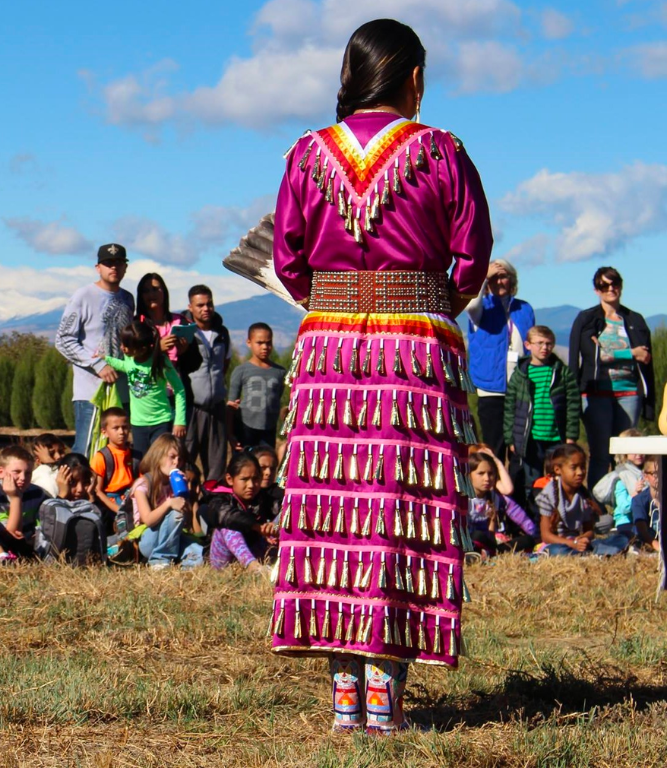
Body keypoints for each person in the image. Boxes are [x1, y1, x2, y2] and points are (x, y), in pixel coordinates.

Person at [270, 20, 494, 733]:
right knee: (399, 510)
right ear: (414, 79)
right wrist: (429, 302)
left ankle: (345, 705)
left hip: (330, 350)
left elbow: (289, 257)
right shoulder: (440, 152)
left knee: (332, 514)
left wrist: (336, 303)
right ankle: (383, 701)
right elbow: (471, 256)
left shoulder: (307, 155)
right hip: (414, 352)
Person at [569, 267, 655, 481]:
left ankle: (627, 504)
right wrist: (630, 353)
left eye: (614, 283)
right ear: (596, 290)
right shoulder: (587, 319)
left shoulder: (635, 319)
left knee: (628, 454)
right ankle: (597, 508)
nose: (610, 289)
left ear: (621, 285)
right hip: (596, 394)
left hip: (630, 393)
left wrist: (610, 352)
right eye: (603, 285)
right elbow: (591, 355)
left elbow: (645, 357)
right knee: (600, 454)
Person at [55, 243, 135, 455]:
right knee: (87, 449)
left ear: (125, 267)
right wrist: (98, 364)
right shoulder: (83, 296)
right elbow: (63, 340)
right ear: (98, 267)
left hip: (121, 391)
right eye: (108, 263)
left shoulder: (128, 299)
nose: (114, 268)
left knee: (116, 452)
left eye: (118, 262)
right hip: (90, 391)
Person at [466, 260, 535, 460]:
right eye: (494, 278)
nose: (499, 281)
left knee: (519, 446)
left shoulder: (524, 308)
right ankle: (492, 489)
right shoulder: (481, 308)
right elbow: (470, 304)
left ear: (512, 279)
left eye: (503, 276)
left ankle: (517, 489)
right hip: (489, 386)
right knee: (493, 445)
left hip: (519, 385)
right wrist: (482, 276)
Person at [503, 325, 580, 494]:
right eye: (540, 343)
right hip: (530, 439)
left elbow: (573, 406)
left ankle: (558, 516)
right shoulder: (520, 375)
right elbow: (510, 408)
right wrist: (510, 439)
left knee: (560, 479)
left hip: (556, 437)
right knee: (533, 481)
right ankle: (535, 516)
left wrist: (571, 436)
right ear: (528, 345)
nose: (545, 348)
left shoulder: (562, 373)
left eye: (549, 344)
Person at [103, 320, 187, 455]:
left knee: (158, 461)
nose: (122, 348)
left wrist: (180, 420)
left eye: (127, 346)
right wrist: (105, 359)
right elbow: (125, 366)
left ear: (142, 349)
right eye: (123, 343)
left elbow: (179, 389)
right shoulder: (130, 357)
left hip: (161, 422)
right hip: (137, 424)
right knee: (140, 463)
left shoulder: (160, 362)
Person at [536, 444, 628, 556]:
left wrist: (584, 538)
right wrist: (572, 543)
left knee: (621, 539)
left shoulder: (583, 496)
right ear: (557, 469)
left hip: (577, 544)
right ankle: (592, 554)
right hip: (558, 544)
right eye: (574, 467)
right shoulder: (548, 495)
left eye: (583, 467)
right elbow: (546, 535)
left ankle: (588, 553)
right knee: (557, 551)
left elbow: (589, 530)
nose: (580, 472)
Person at [180, 285, 231, 483]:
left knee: (216, 466)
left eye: (209, 304)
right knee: (186, 461)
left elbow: (224, 365)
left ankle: (213, 506)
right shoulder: (184, 333)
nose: (206, 308)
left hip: (216, 407)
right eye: (200, 305)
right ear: (190, 307)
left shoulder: (222, 333)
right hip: (192, 408)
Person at [205, 452, 279, 570]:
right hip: (224, 564)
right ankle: (253, 567)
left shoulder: (265, 499)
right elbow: (225, 515)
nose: (251, 485)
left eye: (255, 479)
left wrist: (273, 527)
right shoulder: (219, 499)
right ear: (230, 479)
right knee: (229, 525)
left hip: (258, 554)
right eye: (244, 479)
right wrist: (257, 527)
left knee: (287, 514)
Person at [130, 434, 192, 569]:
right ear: (158, 457)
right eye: (172, 457)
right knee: (175, 513)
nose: (177, 462)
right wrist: (169, 503)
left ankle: (181, 565)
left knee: (196, 551)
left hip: (172, 539)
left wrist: (185, 493)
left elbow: (187, 522)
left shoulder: (173, 484)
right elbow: (148, 520)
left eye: (180, 459)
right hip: (150, 539)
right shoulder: (143, 484)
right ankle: (158, 560)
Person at [0, 445, 49, 559]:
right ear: (1, 472)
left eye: (28, 473)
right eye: (17, 472)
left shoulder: (37, 493)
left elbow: (47, 525)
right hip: (6, 548)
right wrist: (15, 498)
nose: (23, 477)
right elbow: (10, 535)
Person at [465, 451, 536, 558]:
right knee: (477, 535)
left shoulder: (495, 497)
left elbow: (491, 534)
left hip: (488, 544)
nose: (487, 478)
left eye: (491, 473)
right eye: (481, 473)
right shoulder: (462, 498)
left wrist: (492, 544)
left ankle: (491, 553)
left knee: (527, 540)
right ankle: (482, 553)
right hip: (468, 542)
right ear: (468, 475)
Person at [227, 323, 286, 451]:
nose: (265, 347)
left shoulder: (280, 372)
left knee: (266, 465)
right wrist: (230, 434)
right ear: (249, 343)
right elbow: (231, 406)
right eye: (259, 343)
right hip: (245, 429)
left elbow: (277, 397)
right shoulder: (241, 370)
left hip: (269, 429)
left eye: (268, 342)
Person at [90, 408, 140, 517]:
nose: (121, 432)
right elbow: (97, 491)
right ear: (104, 432)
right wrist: (118, 510)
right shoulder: (101, 457)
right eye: (116, 428)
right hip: (109, 506)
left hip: (132, 501)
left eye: (125, 427)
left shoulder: (136, 456)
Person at [135, 273, 190, 366]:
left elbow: (195, 363)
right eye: (146, 291)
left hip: (176, 378)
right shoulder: (136, 325)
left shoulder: (181, 322)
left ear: (164, 291)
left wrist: (184, 351)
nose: (151, 294)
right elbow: (131, 358)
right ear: (141, 296)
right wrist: (157, 349)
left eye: (155, 289)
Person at [629, 457, 660, 550]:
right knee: (635, 532)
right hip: (650, 539)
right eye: (655, 473)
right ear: (645, 476)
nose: (660, 476)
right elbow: (642, 530)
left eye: (662, 471)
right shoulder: (639, 500)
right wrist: (657, 546)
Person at [30, 434, 68, 498]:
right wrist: (49, 462)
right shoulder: (41, 477)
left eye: (61, 452)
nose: (58, 456)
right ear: (38, 461)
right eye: (51, 453)